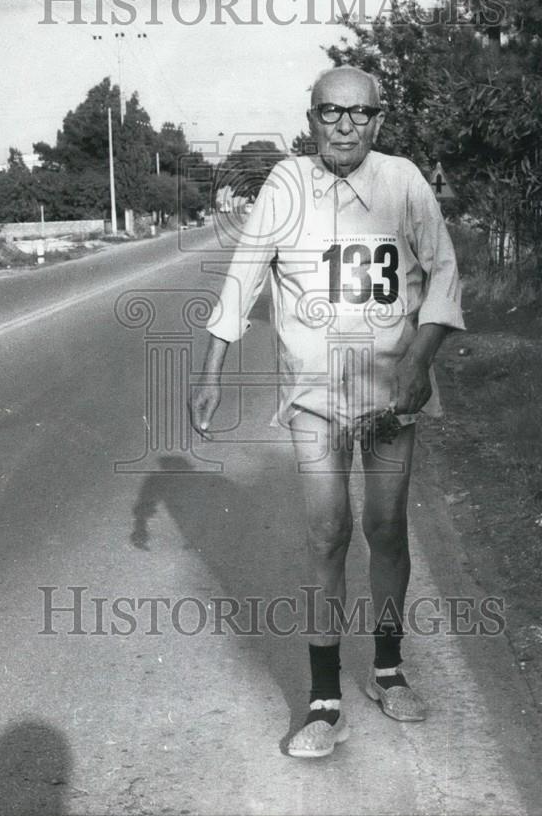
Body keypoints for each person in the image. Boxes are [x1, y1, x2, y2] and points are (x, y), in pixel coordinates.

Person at [188, 65, 465, 758]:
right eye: (330, 113)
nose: (344, 125)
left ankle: (387, 669)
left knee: (386, 530)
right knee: (325, 535)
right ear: (310, 119)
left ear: (378, 119)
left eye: (358, 114)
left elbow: (443, 274)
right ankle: (322, 699)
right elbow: (244, 273)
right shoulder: (286, 184)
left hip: (389, 396)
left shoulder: (403, 181)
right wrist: (209, 373)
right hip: (314, 399)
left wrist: (416, 362)